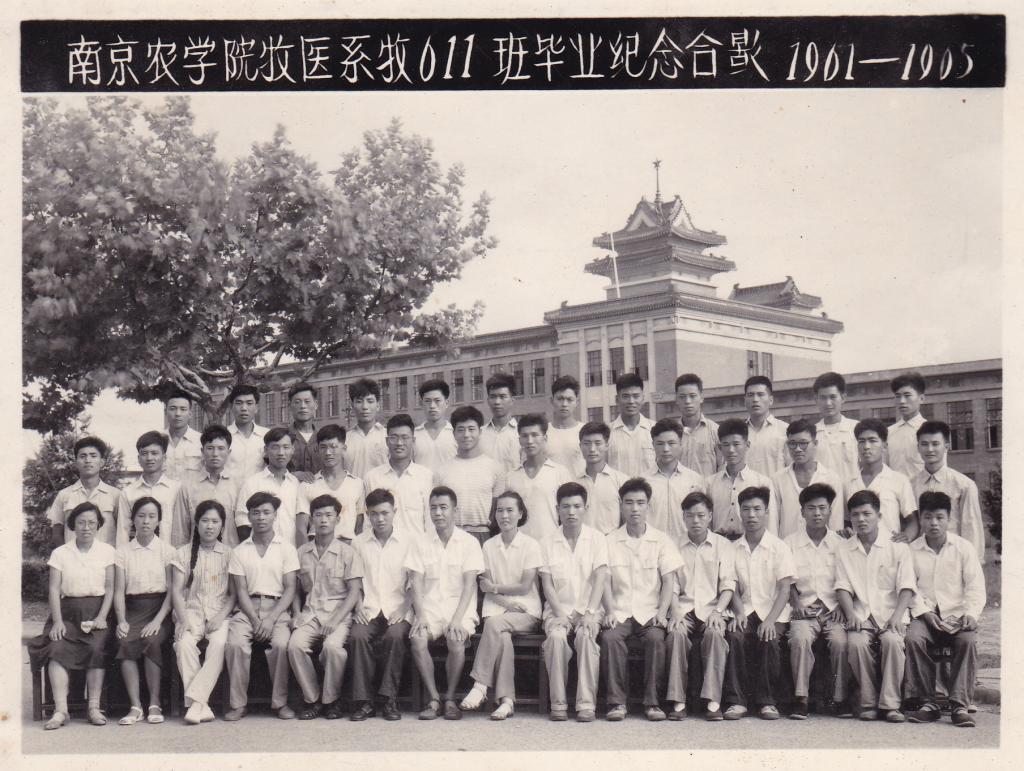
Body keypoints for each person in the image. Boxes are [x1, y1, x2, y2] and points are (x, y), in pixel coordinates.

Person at [600, 478, 682, 722]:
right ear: (621, 505)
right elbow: (604, 580)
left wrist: (662, 612)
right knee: (610, 638)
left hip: (650, 611)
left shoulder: (662, 540)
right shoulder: (609, 540)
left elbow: (668, 581)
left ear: (648, 505)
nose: (634, 508)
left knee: (656, 639)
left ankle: (653, 703)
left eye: (640, 503)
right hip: (620, 610)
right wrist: (609, 611)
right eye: (628, 503)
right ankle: (616, 703)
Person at [30, 502, 116, 730]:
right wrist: (58, 621)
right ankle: (61, 710)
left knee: (96, 648)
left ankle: (94, 708)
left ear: (98, 525)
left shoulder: (107, 551)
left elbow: (110, 588)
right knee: (56, 648)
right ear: (73, 525)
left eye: (91, 523)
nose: (86, 527)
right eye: (81, 523)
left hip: (97, 611)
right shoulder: (60, 553)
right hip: (67, 613)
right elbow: (53, 589)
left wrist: (102, 617)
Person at [904, 491, 986, 728]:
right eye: (928, 517)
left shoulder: (963, 548)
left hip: (957, 615)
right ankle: (927, 703)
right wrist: (925, 613)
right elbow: (908, 588)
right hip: (925, 615)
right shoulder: (911, 550)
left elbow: (975, 586)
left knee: (967, 640)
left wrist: (970, 614)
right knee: (913, 638)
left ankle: (959, 705)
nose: (934, 523)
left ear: (949, 518)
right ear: (921, 519)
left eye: (939, 517)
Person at [459, 491, 543, 720]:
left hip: (526, 612)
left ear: (520, 514)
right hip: (497, 610)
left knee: (495, 626)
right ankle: (507, 701)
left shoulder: (531, 545)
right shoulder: (488, 546)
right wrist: (505, 601)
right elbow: (484, 585)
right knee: (502, 636)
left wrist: (495, 588)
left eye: (509, 510)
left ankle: (479, 686)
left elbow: (525, 586)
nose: (504, 515)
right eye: (499, 510)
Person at [835, 489, 916, 723]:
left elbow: (907, 586)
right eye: (855, 515)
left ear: (879, 516)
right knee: (856, 643)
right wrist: (851, 614)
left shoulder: (897, 547)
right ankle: (868, 702)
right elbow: (842, 586)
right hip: (861, 613)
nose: (861, 519)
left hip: (892, 613)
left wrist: (897, 616)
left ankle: (891, 705)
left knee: (892, 642)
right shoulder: (844, 549)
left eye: (867, 514)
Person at [407, 486, 484, 721]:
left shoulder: (469, 542)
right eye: (433, 508)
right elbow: (415, 583)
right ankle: (433, 699)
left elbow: (469, 585)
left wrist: (457, 619)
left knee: (456, 638)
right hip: (429, 608)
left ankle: (450, 698)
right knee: (418, 638)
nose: (438, 513)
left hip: (460, 608)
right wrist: (420, 615)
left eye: (443, 507)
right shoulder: (420, 542)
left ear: (455, 510)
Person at [223, 492, 299, 721]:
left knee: (281, 644)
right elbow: (240, 591)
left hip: (278, 609)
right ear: (249, 517)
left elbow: (290, 589)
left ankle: (280, 703)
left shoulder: (286, 548)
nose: (261, 518)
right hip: (247, 609)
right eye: (255, 513)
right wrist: (256, 620)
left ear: (275, 515)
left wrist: (270, 619)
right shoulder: (240, 551)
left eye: (266, 512)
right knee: (236, 644)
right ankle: (238, 705)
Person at [288, 494, 364, 721]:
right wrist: (296, 612)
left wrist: (335, 620)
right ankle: (313, 699)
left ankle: (331, 700)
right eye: (318, 515)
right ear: (311, 519)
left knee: (332, 648)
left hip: (338, 615)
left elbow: (354, 592)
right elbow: (295, 589)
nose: (323, 520)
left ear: (337, 519)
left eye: (329, 515)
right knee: (295, 645)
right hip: (310, 614)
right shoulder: (301, 552)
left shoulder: (348, 552)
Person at [723, 486, 796, 721]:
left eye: (757, 509)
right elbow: (732, 585)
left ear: (766, 512)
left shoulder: (779, 547)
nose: (751, 515)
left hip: (773, 611)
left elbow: (785, 589)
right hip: (744, 609)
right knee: (735, 635)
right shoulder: (732, 548)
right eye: (746, 509)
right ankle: (737, 701)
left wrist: (770, 620)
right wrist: (738, 612)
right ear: (740, 512)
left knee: (769, 637)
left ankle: (768, 701)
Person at [539, 482, 609, 722]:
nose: (571, 512)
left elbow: (600, 579)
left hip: (589, 610)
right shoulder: (547, 541)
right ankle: (558, 704)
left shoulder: (597, 539)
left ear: (585, 508)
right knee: (556, 639)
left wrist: (589, 612)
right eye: (566, 506)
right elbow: (547, 584)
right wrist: (560, 614)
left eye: (577, 506)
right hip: (557, 610)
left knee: (586, 637)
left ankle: (586, 704)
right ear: (557, 509)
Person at [347, 489, 417, 721]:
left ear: (394, 511)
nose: (380, 519)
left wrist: (404, 608)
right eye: (374, 514)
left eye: (385, 513)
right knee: (357, 636)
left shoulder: (409, 541)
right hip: (368, 607)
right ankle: (364, 701)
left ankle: (389, 699)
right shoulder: (359, 543)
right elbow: (355, 581)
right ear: (367, 515)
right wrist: (358, 607)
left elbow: (414, 581)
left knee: (395, 636)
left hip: (399, 607)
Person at [665, 491, 734, 721]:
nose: (696, 521)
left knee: (715, 634)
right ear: (683, 517)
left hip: (712, 607)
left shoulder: (723, 545)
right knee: (676, 634)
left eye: (701, 515)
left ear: (710, 516)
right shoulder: (673, 544)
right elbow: (672, 584)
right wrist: (675, 610)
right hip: (683, 607)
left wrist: (718, 611)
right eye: (690, 515)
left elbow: (728, 584)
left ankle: (713, 702)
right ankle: (678, 701)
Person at [784, 483, 849, 720]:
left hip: (833, 609)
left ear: (830, 510)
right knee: (799, 638)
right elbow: (787, 580)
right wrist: (796, 604)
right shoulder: (789, 543)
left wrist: (841, 605)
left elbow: (849, 579)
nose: (817, 513)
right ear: (802, 512)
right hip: (804, 608)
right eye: (811, 508)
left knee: (841, 642)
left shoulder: (841, 544)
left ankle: (840, 699)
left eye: (822, 508)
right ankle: (801, 698)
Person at [169, 500, 236, 725]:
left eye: (215, 521)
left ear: (222, 525)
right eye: (205, 521)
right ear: (196, 524)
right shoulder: (182, 553)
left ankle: (195, 703)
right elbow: (176, 591)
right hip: (190, 612)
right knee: (184, 644)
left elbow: (233, 595)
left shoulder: (229, 554)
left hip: (219, 613)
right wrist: (183, 619)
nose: (209, 526)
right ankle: (202, 705)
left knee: (219, 644)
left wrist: (221, 617)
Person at [113, 496, 177, 726]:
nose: (146, 521)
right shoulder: (123, 552)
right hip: (132, 609)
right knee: (125, 640)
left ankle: (154, 703)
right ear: (133, 520)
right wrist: (121, 620)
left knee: (152, 640)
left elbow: (172, 592)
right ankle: (135, 706)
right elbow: (118, 591)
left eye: (151, 516)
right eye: (141, 516)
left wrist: (158, 621)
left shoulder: (167, 551)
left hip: (160, 609)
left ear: (159, 521)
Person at [911, 420, 986, 563]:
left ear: (946, 446)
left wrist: (973, 563)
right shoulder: (910, 485)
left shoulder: (964, 485)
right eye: (924, 444)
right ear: (918, 447)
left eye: (935, 444)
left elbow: (971, 527)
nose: (930, 449)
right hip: (921, 559)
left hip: (954, 557)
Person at [435, 405, 505, 545]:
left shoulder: (495, 468)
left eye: (471, 429)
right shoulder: (442, 470)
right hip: (451, 535)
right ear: (454, 433)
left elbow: (497, 509)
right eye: (461, 430)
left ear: (480, 431)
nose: (466, 435)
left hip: (484, 536)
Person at [770, 419, 844, 539]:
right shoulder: (777, 479)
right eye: (792, 444)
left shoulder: (831, 478)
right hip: (787, 546)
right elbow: (772, 521)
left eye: (803, 443)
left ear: (815, 443)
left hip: (822, 547)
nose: (797, 449)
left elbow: (836, 521)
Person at [505, 413, 573, 543]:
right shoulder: (511, 476)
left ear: (545, 438)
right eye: (525, 436)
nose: (530, 441)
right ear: (519, 440)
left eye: (535, 435)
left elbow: (568, 513)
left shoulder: (560, 473)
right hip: (520, 545)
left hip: (551, 544)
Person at [846, 419, 918, 541]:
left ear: (884, 446)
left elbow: (913, 522)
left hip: (889, 547)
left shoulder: (899, 480)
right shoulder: (850, 482)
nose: (866, 447)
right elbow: (847, 521)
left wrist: (906, 538)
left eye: (872, 441)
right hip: (858, 549)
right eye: (862, 441)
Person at [171, 424, 241, 547]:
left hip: (230, 554)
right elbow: (180, 530)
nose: (215, 453)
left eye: (221, 448)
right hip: (196, 554)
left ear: (229, 452)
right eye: (210, 448)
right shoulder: (188, 486)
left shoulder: (238, 486)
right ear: (202, 451)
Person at [704, 419, 776, 539]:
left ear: (747, 445)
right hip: (718, 544)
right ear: (720, 447)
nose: (731, 450)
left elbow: (771, 523)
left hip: (749, 543)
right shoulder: (709, 483)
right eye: (726, 445)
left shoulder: (762, 482)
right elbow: (706, 521)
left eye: (736, 444)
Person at [364, 413, 434, 536]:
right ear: (387, 441)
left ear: (413, 441)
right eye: (394, 437)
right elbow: (367, 523)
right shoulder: (372, 477)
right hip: (384, 546)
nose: (399, 443)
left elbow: (430, 521)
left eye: (405, 437)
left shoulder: (426, 476)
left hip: (416, 546)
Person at [295, 424, 364, 542]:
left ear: (344, 449)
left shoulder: (357, 484)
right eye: (323, 447)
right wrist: (307, 552)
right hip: (316, 546)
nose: (328, 452)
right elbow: (301, 529)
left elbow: (359, 526)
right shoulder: (308, 485)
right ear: (318, 450)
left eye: (333, 447)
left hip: (347, 545)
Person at [48, 436, 119, 548]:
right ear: (76, 462)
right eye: (83, 456)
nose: (88, 460)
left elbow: (123, 531)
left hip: (106, 558)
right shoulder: (64, 495)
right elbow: (57, 534)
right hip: (73, 557)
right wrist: (67, 555)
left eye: (93, 456)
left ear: (102, 462)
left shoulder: (116, 495)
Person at [235, 428, 302, 546]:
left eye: (286, 447)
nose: (281, 453)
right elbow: (242, 521)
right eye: (275, 447)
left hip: (291, 550)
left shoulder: (295, 484)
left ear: (292, 450)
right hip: (261, 552)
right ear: (266, 450)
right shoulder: (252, 483)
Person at [643, 418, 703, 544]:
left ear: (681, 444)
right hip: (653, 547)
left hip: (686, 547)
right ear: (653, 445)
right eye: (660, 444)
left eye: (671, 443)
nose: (666, 449)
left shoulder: (695, 480)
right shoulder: (643, 482)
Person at [116, 431, 180, 547]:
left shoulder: (177, 489)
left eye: (154, 453)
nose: (149, 458)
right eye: (144, 453)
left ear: (164, 457)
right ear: (138, 458)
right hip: (138, 554)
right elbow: (123, 531)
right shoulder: (128, 493)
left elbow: (182, 528)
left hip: (170, 553)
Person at [577, 421, 629, 534]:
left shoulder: (621, 481)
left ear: (607, 445)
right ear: (580, 446)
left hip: (611, 541)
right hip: (583, 542)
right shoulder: (574, 483)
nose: (592, 449)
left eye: (598, 443)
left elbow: (627, 521)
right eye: (587, 443)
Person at [812, 371, 860, 484]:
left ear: (843, 398)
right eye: (823, 398)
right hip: (822, 493)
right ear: (816, 400)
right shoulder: (811, 433)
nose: (828, 403)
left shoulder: (856, 429)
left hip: (852, 492)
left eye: (833, 397)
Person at [607, 373, 655, 478]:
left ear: (643, 398)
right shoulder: (607, 433)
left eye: (636, 396)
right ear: (617, 400)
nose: (631, 401)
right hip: (618, 488)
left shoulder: (655, 430)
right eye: (625, 396)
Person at [674, 373, 722, 477]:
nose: (687, 401)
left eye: (692, 396)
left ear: (701, 397)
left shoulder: (716, 432)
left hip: (706, 487)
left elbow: (722, 469)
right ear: (676, 399)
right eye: (682, 397)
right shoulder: (671, 433)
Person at [743, 376, 789, 477]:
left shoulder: (785, 430)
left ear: (771, 400)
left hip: (774, 487)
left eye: (760, 395)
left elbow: (792, 468)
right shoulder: (739, 432)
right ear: (744, 400)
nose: (755, 399)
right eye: (750, 395)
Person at [344, 378, 389, 479]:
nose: (365, 407)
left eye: (370, 401)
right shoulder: (345, 439)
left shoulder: (387, 436)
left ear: (378, 405)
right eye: (359, 401)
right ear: (352, 406)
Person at [887, 371, 928, 479]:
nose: (902, 401)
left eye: (907, 395)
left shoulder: (931, 431)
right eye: (898, 396)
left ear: (921, 398)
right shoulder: (888, 432)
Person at [413, 378, 458, 475]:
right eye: (427, 401)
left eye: (437, 401)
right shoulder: (414, 435)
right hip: (421, 484)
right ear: (421, 404)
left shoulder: (456, 433)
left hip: (449, 484)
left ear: (446, 403)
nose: (432, 406)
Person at [479, 372, 521, 474]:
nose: (497, 402)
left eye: (502, 396)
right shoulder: (479, 434)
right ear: (488, 400)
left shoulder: (521, 434)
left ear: (512, 400)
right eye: (493, 396)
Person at [224, 384, 268, 481]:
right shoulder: (222, 436)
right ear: (231, 407)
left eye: (249, 403)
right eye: (239, 403)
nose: (244, 408)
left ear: (256, 407)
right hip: (228, 489)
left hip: (258, 490)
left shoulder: (267, 436)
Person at [545, 375, 586, 477]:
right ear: (552, 400)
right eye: (560, 399)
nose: (564, 404)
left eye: (569, 399)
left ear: (577, 402)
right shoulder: (543, 432)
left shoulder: (585, 431)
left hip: (578, 486)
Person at [162, 387, 203, 480]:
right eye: (173, 409)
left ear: (190, 414)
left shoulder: (201, 441)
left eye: (183, 409)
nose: (178, 414)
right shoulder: (157, 441)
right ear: (165, 412)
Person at [286, 381, 322, 481]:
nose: (302, 406)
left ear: (316, 405)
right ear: (290, 406)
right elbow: (271, 470)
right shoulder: (282, 437)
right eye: (297, 402)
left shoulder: (323, 438)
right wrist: (293, 475)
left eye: (307, 401)